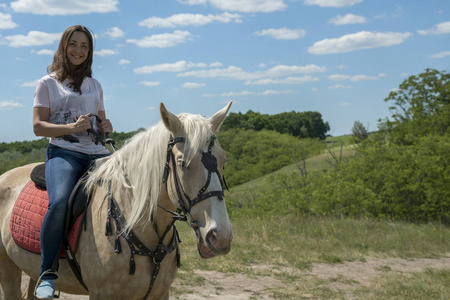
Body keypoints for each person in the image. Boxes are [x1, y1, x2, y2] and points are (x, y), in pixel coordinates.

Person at [32, 25, 113, 299]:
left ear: (90, 52)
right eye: (73, 44)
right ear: (63, 47)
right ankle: (47, 273)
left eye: (84, 46)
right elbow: (38, 127)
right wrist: (70, 128)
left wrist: (105, 126)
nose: (78, 50)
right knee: (60, 202)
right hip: (64, 152)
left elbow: (99, 123)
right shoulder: (47, 84)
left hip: (98, 153)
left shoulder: (96, 85)